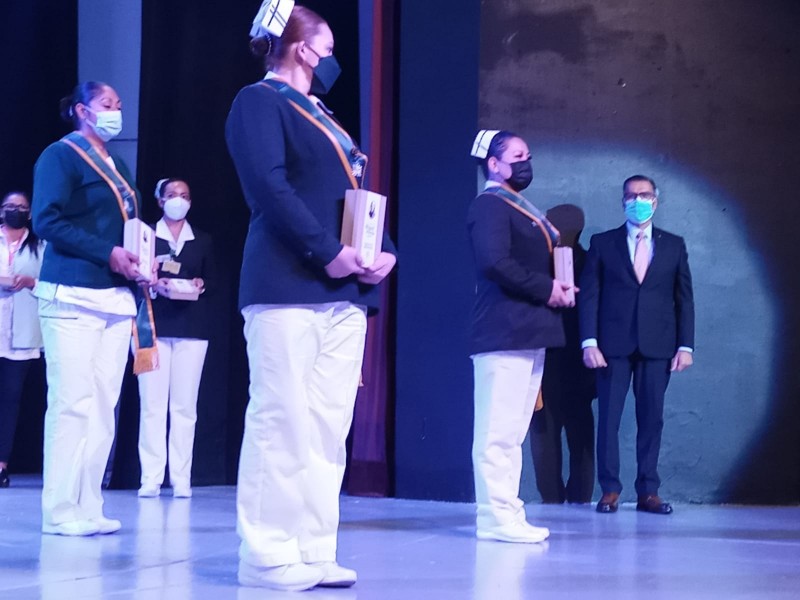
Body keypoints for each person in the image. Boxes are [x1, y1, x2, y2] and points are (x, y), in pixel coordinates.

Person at [225, 1, 396, 591]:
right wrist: (328, 251)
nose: (331, 60)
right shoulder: (258, 102)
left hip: (343, 292)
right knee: (283, 419)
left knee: (327, 424)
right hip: (286, 285)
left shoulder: (323, 114)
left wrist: (383, 248)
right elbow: (269, 188)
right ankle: (266, 555)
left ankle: (313, 547)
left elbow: (350, 191)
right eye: (327, 49)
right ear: (302, 50)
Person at [32, 81, 154, 536]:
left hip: (115, 298)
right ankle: (60, 509)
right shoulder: (60, 156)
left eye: (119, 104)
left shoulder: (117, 163)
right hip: (72, 293)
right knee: (72, 402)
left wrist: (140, 261)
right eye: (106, 104)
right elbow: (46, 219)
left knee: (104, 405)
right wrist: (107, 253)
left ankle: (89, 503)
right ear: (83, 110)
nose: (115, 111)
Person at [467, 129, 575, 544]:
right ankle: (493, 516)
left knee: (513, 433)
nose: (526, 163)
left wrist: (558, 287)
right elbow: (494, 262)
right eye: (517, 156)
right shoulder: (490, 205)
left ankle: (508, 511)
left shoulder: (520, 207)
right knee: (497, 432)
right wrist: (546, 288)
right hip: (503, 330)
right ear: (494, 164)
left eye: (528, 155)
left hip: (529, 331)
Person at [579, 175, 694, 515]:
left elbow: (684, 299)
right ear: (622, 202)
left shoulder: (674, 245)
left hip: (658, 346)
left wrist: (685, 346)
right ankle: (610, 490)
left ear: (655, 201)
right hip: (611, 347)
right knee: (608, 420)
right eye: (630, 196)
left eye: (643, 195)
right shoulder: (603, 243)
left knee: (652, 419)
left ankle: (648, 492)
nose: (637, 200)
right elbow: (590, 296)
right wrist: (589, 342)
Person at [136, 179, 214, 499]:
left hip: (192, 329)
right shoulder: (146, 236)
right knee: (152, 405)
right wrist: (153, 283)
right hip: (153, 326)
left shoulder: (203, 240)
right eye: (171, 195)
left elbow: (212, 280)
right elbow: (134, 276)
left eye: (184, 195)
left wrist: (200, 284)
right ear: (160, 200)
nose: (178, 201)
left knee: (184, 407)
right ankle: (151, 477)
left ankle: (181, 477)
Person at [529, 205, 596, 505]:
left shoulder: (589, 263)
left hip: (570, 361)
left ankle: (570, 497)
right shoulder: (538, 263)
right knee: (552, 432)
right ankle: (558, 498)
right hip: (553, 360)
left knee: (564, 432)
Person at [0, 191, 45, 488]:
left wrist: (30, 282)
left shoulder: (41, 246)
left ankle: (1, 464)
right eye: (10, 206)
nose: (15, 210)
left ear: (29, 213)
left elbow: (51, 284)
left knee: (10, 399)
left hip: (22, 334)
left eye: (21, 207)